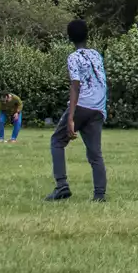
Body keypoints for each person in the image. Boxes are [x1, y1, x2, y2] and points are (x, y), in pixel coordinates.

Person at [45, 19, 107, 202]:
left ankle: (62, 186)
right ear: (87, 35)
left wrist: (71, 117)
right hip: (98, 106)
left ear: (69, 37)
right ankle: (99, 195)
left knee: (57, 141)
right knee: (95, 153)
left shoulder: (73, 57)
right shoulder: (96, 54)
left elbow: (76, 86)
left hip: (82, 104)